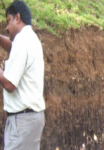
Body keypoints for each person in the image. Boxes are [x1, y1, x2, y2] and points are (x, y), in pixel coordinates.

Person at [0, 0, 45, 149]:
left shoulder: (23, 41)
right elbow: (14, 48)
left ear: (17, 18)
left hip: (23, 121)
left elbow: (9, 84)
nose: (7, 28)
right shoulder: (30, 38)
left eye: (8, 21)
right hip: (30, 119)